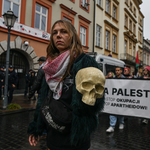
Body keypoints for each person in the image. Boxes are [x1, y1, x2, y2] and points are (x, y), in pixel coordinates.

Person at [28, 20, 104, 150]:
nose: (58, 35)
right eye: (55, 32)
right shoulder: (50, 65)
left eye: (64, 32)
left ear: (73, 36)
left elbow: (97, 100)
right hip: (53, 132)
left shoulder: (85, 62)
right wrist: (37, 127)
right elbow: (43, 98)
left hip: (75, 137)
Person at [106, 67, 125, 133]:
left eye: (118, 70)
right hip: (114, 97)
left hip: (121, 98)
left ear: (121, 71)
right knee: (112, 111)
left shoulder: (124, 79)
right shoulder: (113, 79)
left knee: (120, 111)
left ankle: (121, 123)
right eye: (116, 70)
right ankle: (112, 126)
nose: (117, 72)